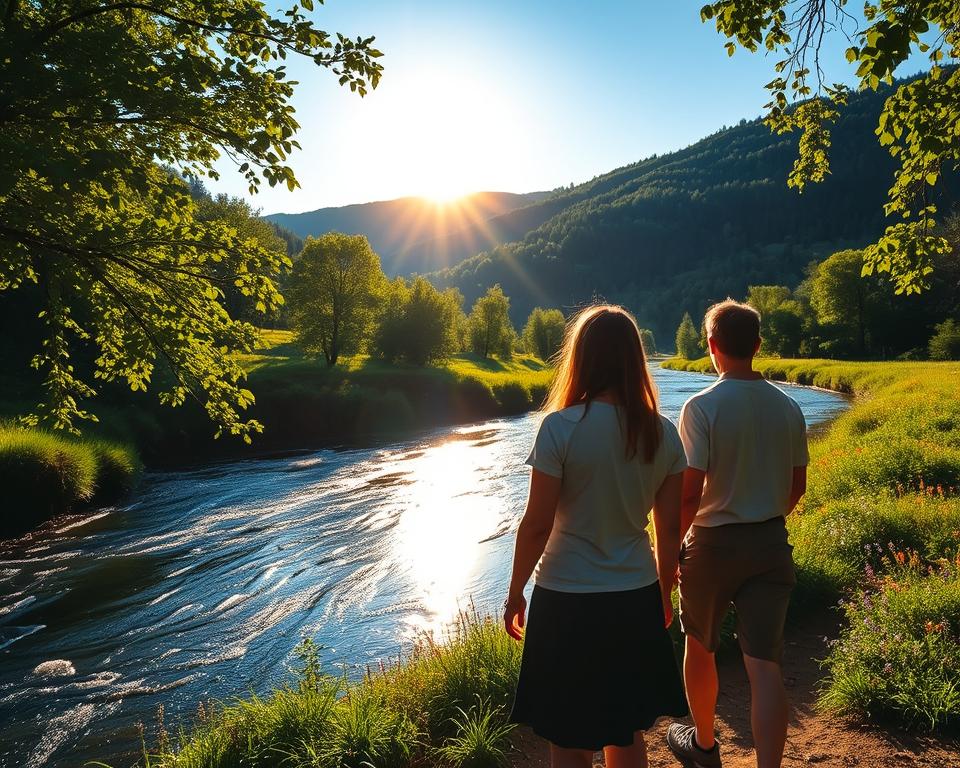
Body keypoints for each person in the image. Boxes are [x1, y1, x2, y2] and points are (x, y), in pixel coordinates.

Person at [503, 304, 689, 768]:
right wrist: (663, 592)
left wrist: (515, 592)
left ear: (582, 358)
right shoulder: (663, 433)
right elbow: (668, 528)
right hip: (634, 594)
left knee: (568, 735)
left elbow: (537, 524)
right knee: (624, 730)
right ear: (634, 359)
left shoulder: (560, 428)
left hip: (566, 599)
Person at [666, 299, 809, 768]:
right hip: (770, 543)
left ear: (711, 346)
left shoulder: (700, 407)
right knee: (765, 666)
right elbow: (797, 487)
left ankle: (705, 746)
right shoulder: (788, 407)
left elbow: (689, 495)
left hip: (711, 545)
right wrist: (763, 517)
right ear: (758, 345)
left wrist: (671, 554)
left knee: (700, 645)